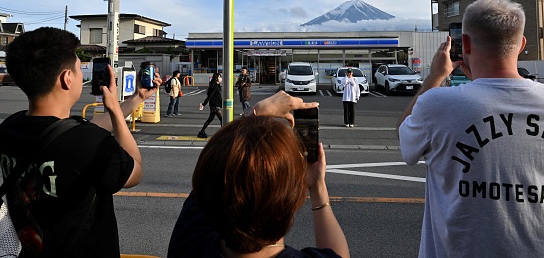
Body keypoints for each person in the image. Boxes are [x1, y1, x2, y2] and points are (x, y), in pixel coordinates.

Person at [397, 0, 544, 257]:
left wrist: (435, 76)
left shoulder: (438, 105)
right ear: (521, 44)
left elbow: (405, 137)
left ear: (465, 44)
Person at [0, 27, 161, 257]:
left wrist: (136, 99)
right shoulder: (89, 142)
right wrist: (114, 109)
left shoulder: (9, 128)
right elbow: (134, 172)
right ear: (67, 79)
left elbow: (76, 134)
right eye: (78, 69)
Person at [168, 91, 350, 258]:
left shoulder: (188, 246)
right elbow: (339, 254)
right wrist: (317, 187)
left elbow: (219, 168)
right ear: (293, 202)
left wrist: (255, 113)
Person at [197, 72, 222, 138]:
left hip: (214, 105)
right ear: (217, 78)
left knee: (210, 119)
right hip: (214, 105)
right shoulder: (215, 86)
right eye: (219, 77)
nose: (221, 78)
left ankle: (201, 131)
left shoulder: (216, 85)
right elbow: (210, 96)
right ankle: (224, 133)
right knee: (222, 119)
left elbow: (218, 96)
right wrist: (204, 104)